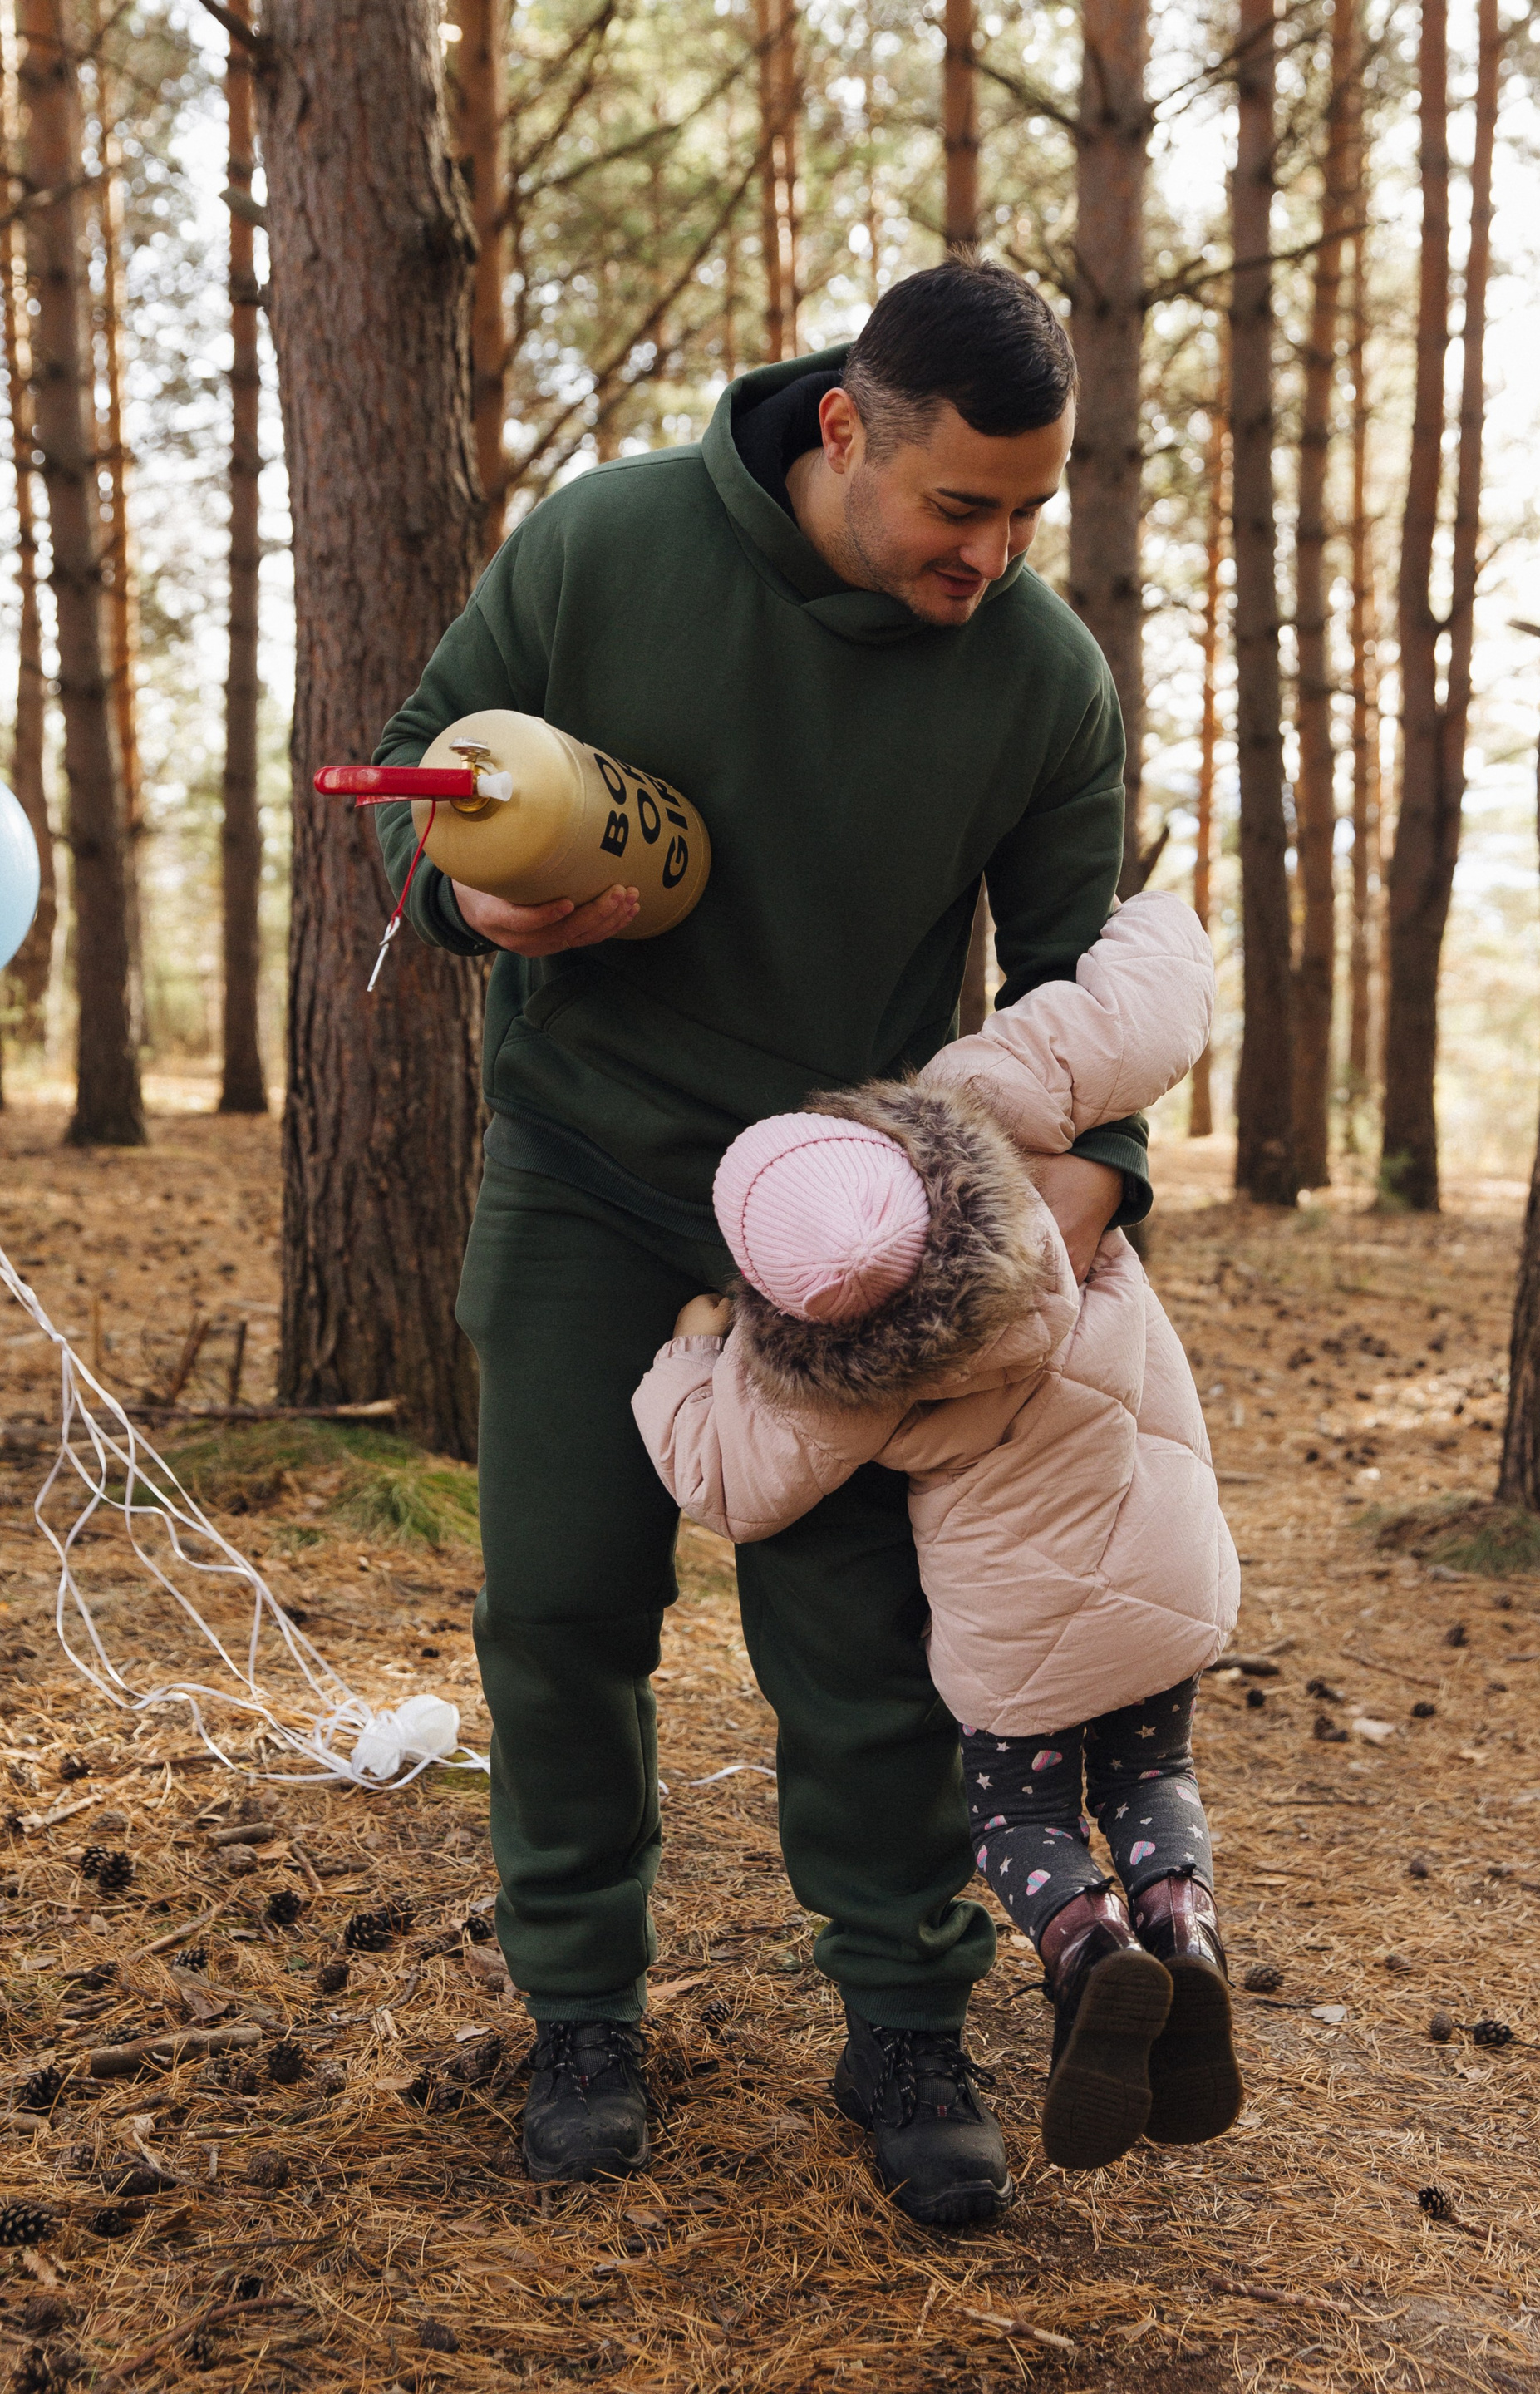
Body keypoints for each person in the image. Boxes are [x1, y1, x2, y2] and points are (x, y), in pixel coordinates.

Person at [374, 259, 1152, 2228]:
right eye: (958, 506)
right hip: (585, 1167)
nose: (992, 555)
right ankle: (581, 2019)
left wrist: (1108, 1169)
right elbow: (421, 767)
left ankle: (905, 2026)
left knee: (864, 1645)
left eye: (1028, 514)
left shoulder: (1043, 678)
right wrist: (476, 904)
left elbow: (1086, 972)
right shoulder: (607, 548)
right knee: (560, 1616)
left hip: (849, 1213)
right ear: (842, 428)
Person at [633, 893, 1244, 2188]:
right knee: (1151, 1773)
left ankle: (1086, 1945)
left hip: (1015, 1644)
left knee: (1019, 1815)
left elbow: (725, 1485)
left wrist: (693, 1353)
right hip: (1168, 1567)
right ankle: (1182, 1926)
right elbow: (1139, 1015)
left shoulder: (825, 1385)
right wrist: (1152, 919)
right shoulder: (994, 1100)